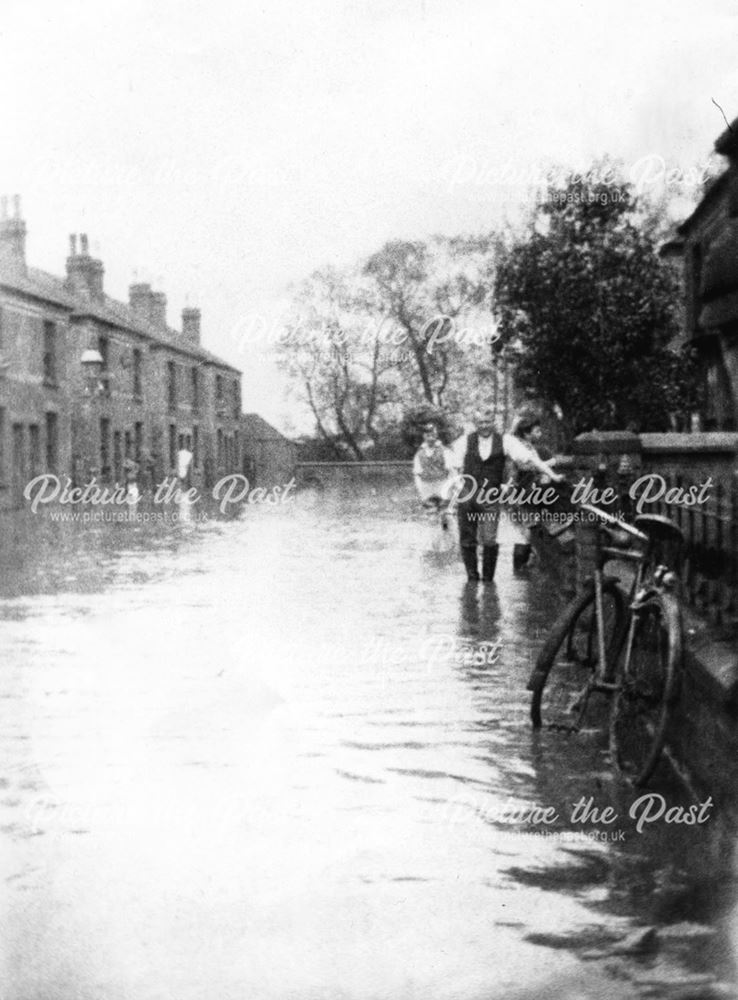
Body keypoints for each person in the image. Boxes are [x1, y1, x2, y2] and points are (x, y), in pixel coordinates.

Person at [448, 406, 563, 583]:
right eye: (480, 422)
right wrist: (457, 484)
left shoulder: (506, 441)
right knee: (467, 539)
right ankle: (472, 578)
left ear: (493, 422)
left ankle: (487, 582)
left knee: (489, 539)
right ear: (475, 423)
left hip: (490, 496)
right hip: (467, 494)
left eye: (487, 422)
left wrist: (553, 475)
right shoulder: (464, 441)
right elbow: (452, 464)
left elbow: (531, 459)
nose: (484, 426)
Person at [507, 410, 559, 571]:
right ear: (526, 433)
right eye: (536, 430)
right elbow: (526, 466)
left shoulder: (528, 445)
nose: (540, 433)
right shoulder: (518, 446)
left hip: (529, 492)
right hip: (521, 492)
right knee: (525, 533)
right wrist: (551, 462)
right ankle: (519, 569)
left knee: (530, 530)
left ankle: (523, 567)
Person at [412, 422, 455, 528]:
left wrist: (450, 488)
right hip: (427, 487)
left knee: (446, 516)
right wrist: (420, 488)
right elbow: (417, 473)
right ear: (424, 436)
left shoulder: (444, 451)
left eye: (432, 434)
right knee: (432, 518)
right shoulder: (420, 453)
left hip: (442, 485)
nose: (430, 437)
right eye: (427, 435)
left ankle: (449, 540)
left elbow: (451, 471)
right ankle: (436, 541)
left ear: (436, 435)